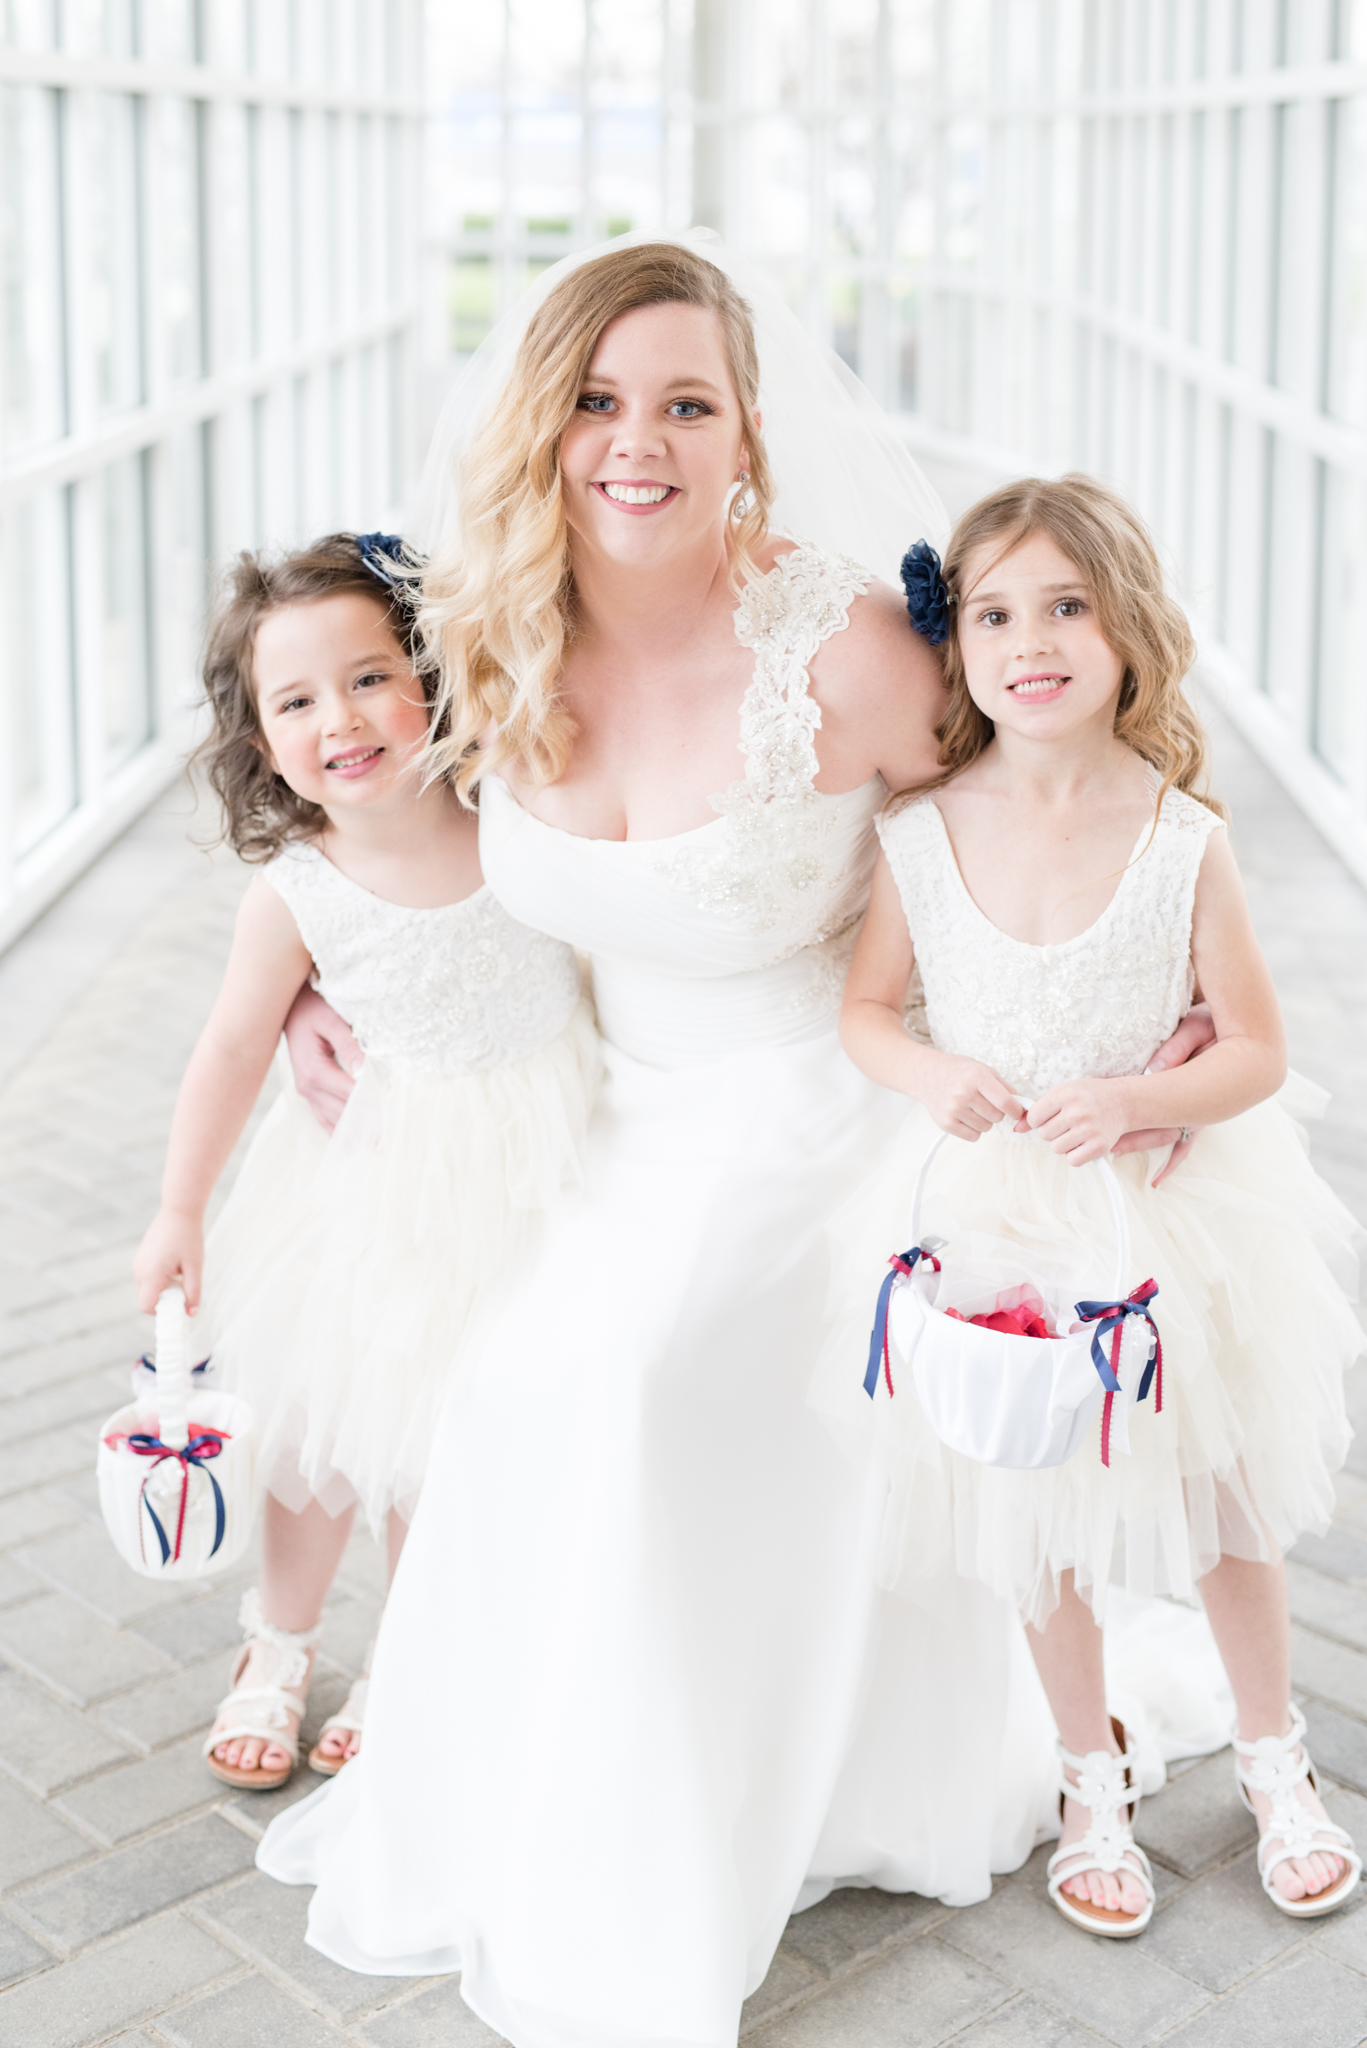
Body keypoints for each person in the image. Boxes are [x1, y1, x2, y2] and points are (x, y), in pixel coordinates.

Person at [257, 241, 1215, 2047]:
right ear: (542, 428)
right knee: (504, 1379)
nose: (641, 442)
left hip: (815, 1108)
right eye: (600, 402)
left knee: (620, 1371)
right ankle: (525, 1792)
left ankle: (671, 1851)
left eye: (685, 402)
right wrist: (325, 978)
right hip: (605, 1107)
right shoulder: (480, 627)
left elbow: (1040, 790)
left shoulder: (841, 643)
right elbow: (349, 793)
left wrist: (1145, 984)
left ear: (745, 433)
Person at [829, 474, 1362, 1939]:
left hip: (1165, 1215)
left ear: (1126, 630)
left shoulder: (1181, 832)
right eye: (994, 613)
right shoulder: (921, 834)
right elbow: (866, 1010)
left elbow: (1253, 1049)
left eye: (1066, 605)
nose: (1030, 639)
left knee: (1225, 1503)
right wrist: (924, 1068)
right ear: (960, 648)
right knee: (1034, 1502)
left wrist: (1137, 1100)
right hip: (998, 1215)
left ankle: (1273, 1763)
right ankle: (1086, 1774)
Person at [134, 533, 598, 1794]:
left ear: (430, 678)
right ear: (259, 740)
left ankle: (409, 1650)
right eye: (295, 700)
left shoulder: (514, 809)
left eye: (369, 676)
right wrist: (180, 1206)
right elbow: (231, 1047)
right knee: (322, 1429)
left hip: (525, 1173)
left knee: (436, 1439)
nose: (340, 718)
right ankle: (277, 1644)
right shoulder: (296, 890)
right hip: (363, 1186)